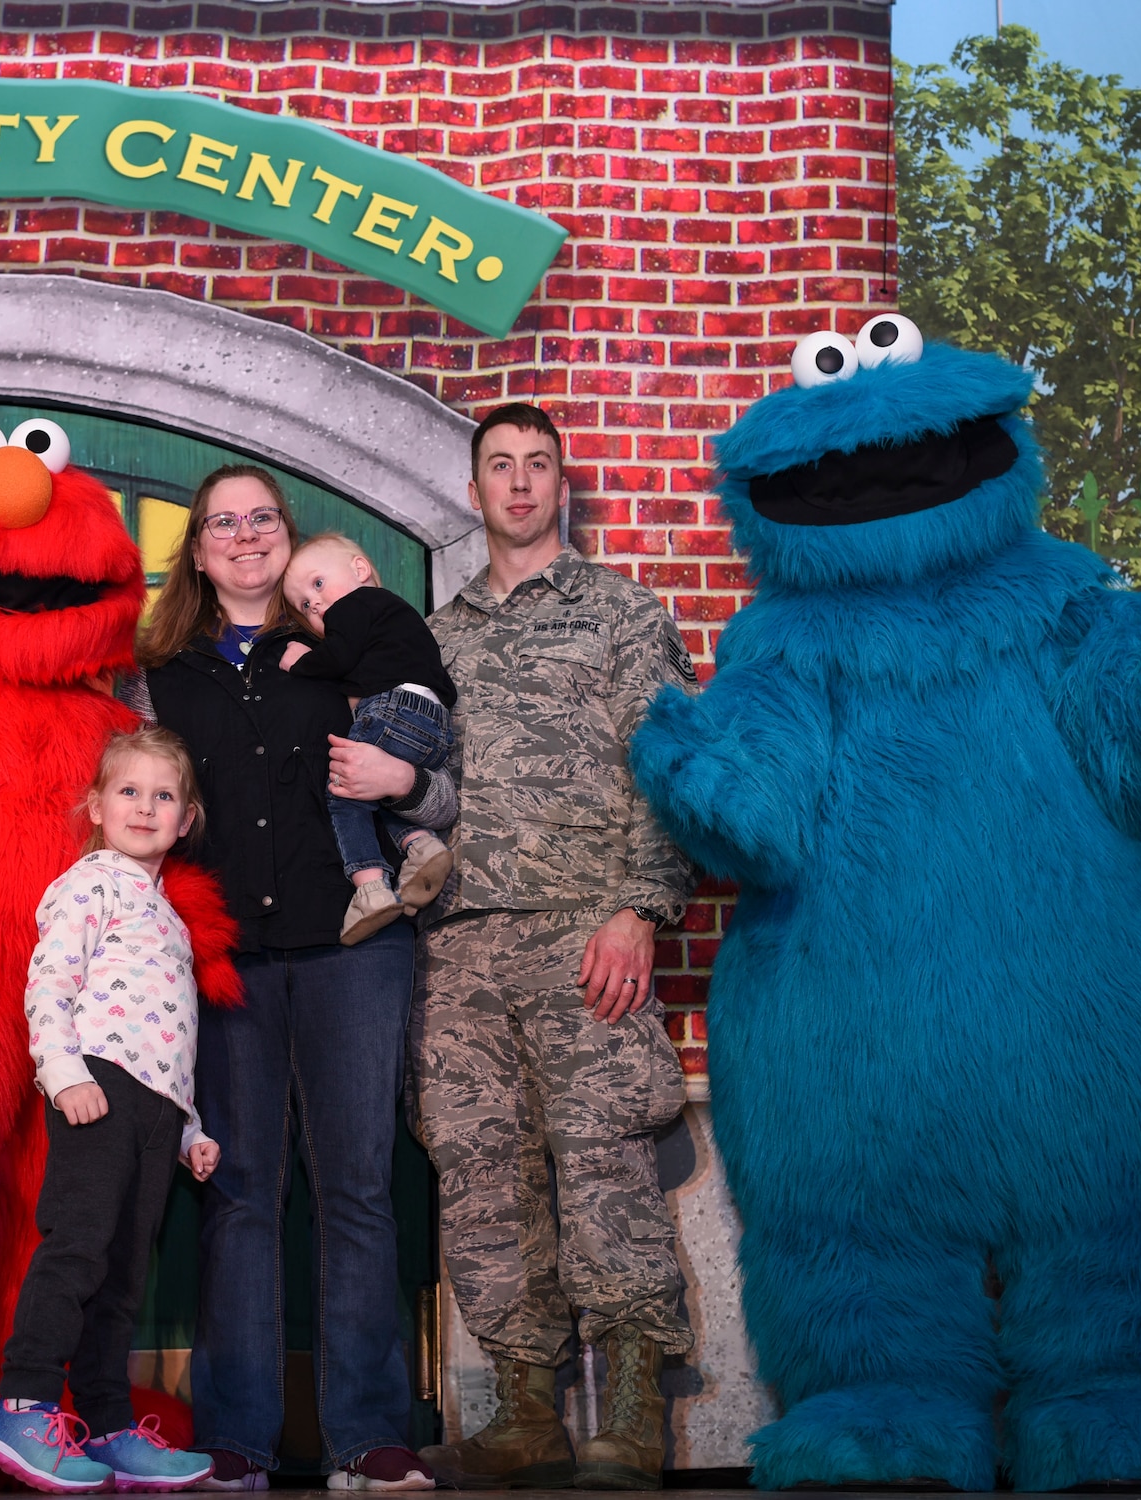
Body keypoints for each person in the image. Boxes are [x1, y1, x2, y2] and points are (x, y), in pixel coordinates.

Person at [123, 463, 448, 1493]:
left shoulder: (346, 642)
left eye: (261, 517)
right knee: (240, 1195)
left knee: (356, 1189)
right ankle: (235, 1442)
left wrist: (412, 785)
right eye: (222, 521)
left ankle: (369, 1437)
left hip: (353, 945)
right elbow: (127, 802)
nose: (245, 534)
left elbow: (437, 782)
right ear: (197, 546)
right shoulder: (159, 669)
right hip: (223, 960)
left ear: (286, 533)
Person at [414, 403, 699, 1491]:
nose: (520, 483)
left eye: (538, 465)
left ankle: (630, 1416)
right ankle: (524, 1408)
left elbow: (665, 769)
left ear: (558, 485)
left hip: (585, 928)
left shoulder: (624, 615)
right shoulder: (434, 640)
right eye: (500, 466)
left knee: (602, 1162)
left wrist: (638, 906)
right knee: (477, 1170)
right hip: (457, 948)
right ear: (475, 488)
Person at [0, 729, 222, 1495]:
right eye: (128, 791)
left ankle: (108, 1426)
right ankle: (22, 1406)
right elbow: (48, 985)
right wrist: (61, 1071)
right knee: (78, 1249)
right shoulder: (89, 884)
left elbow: (173, 1040)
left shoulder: (172, 921)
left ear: (187, 820)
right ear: (96, 807)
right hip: (96, 1090)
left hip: (154, 1111)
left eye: (164, 795)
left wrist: (189, 1131)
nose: (145, 807)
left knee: (122, 1273)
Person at [279, 532, 457, 944]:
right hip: (433, 721)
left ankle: (370, 888)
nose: (315, 603)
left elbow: (337, 658)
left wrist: (301, 662)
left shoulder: (354, 606)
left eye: (318, 584)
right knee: (378, 793)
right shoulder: (395, 617)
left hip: (393, 707)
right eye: (304, 605)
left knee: (346, 790)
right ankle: (421, 845)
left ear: (359, 570)